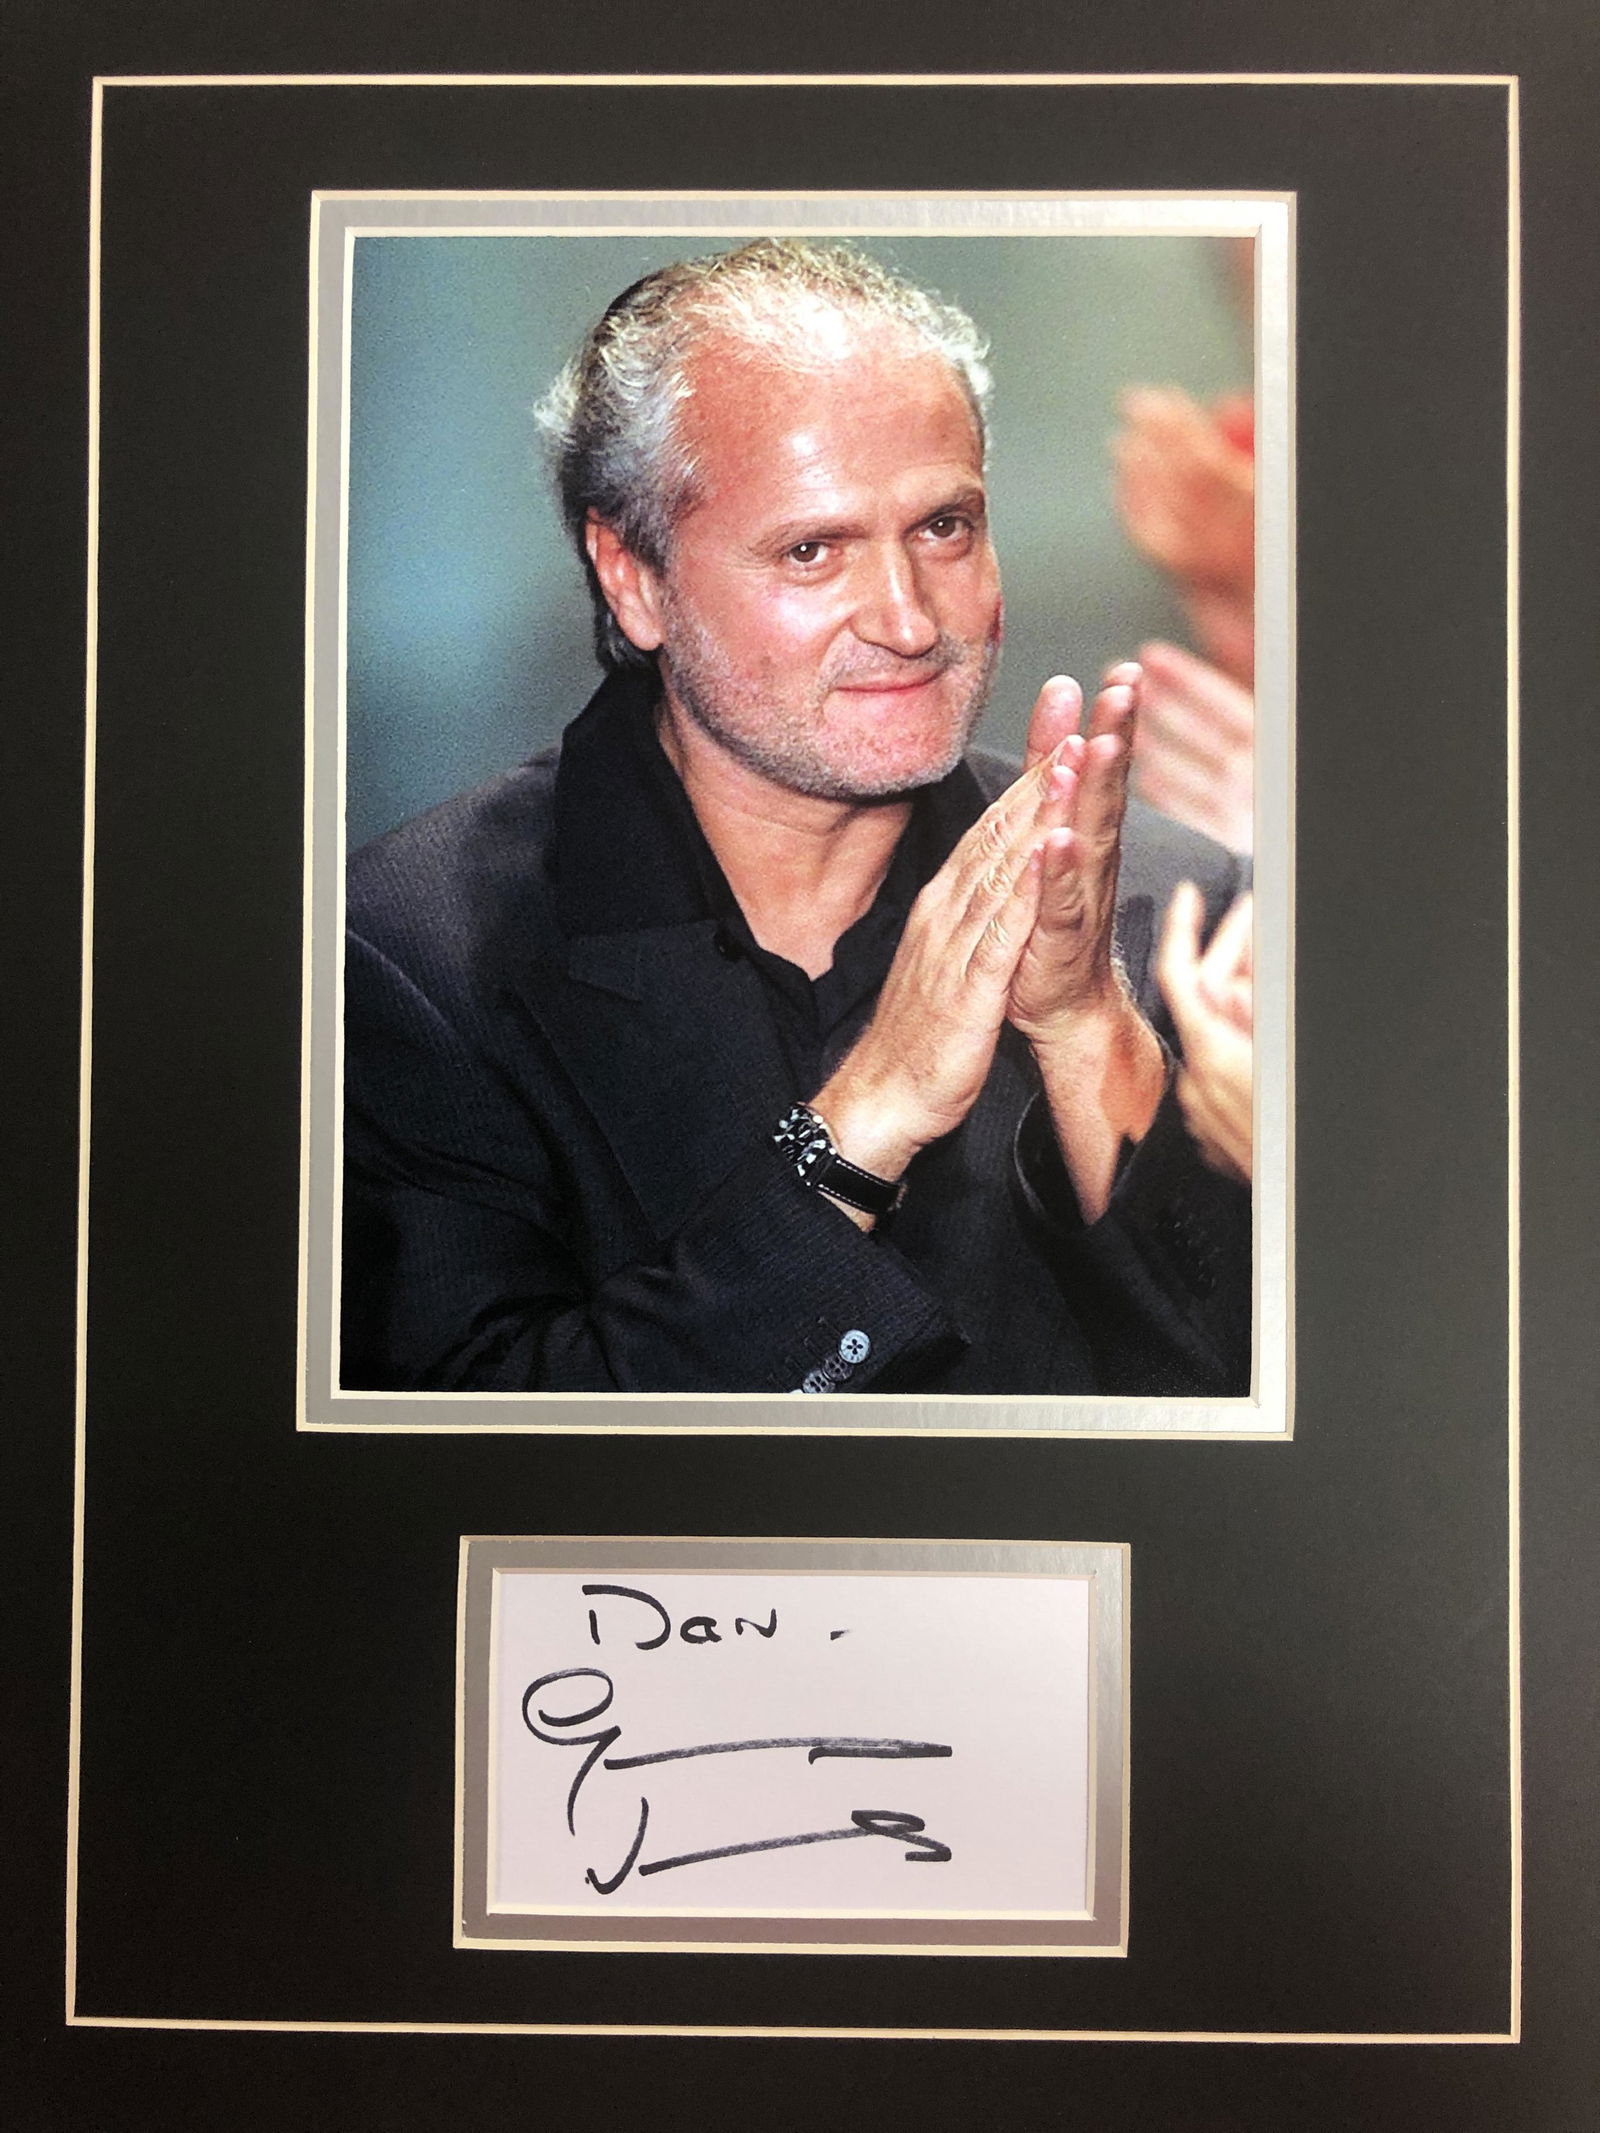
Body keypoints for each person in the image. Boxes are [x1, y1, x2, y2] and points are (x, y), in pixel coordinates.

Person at [342, 240, 1251, 1398]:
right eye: (812, 551)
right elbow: (465, 1465)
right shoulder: (411, 960)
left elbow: (1286, 1425)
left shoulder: (1185, 915)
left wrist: (1082, 1029)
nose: (908, 621)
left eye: (943, 528)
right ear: (633, 579)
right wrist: (865, 1120)